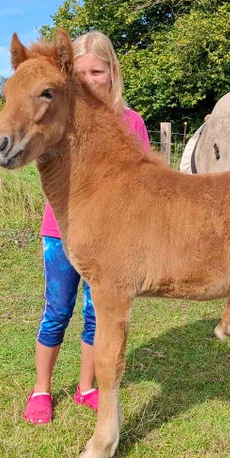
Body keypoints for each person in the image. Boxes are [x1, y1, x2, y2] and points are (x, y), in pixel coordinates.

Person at [23, 31, 152, 425]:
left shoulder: (130, 122)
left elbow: (146, 182)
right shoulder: (61, 117)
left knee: (97, 314)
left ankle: (87, 387)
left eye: (96, 71)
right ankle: (41, 390)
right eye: (78, 73)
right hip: (62, 231)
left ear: (112, 72)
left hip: (112, 238)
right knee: (57, 310)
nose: (88, 80)